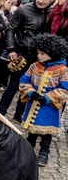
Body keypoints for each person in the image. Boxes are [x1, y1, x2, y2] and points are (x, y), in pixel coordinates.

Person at [0, 0, 57, 123]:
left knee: (32, 87)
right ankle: (0, 112)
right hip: (23, 53)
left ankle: (19, 113)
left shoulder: (53, 14)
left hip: (42, 57)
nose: (41, 1)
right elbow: (11, 29)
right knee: (14, 85)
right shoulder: (23, 10)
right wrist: (11, 49)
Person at [19, 33, 68, 167]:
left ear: (52, 52)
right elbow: (24, 80)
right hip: (33, 103)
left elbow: (65, 89)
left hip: (50, 107)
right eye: (38, 52)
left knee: (47, 132)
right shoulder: (34, 66)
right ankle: (28, 149)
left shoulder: (63, 70)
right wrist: (30, 92)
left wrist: (48, 97)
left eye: (42, 53)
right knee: (32, 131)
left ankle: (44, 150)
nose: (38, 56)